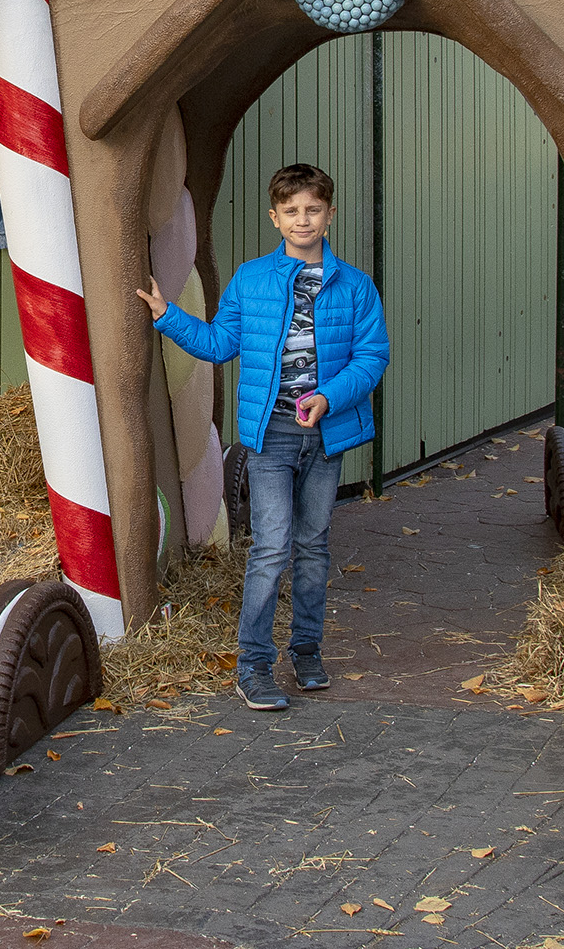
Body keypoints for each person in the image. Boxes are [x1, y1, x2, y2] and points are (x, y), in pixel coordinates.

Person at [137, 162, 388, 711]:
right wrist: (166, 315)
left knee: (314, 547)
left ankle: (306, 650)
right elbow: (220, 343)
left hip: (326, 436)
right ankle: (252, 664)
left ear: (330, 215)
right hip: (271, 436)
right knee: (272, 546)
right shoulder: (252, 280)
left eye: (313, 210)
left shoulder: (356, 288)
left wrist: (329, 397)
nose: (304, 220)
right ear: (275, 219)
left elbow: (373, 357)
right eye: (292, 211)